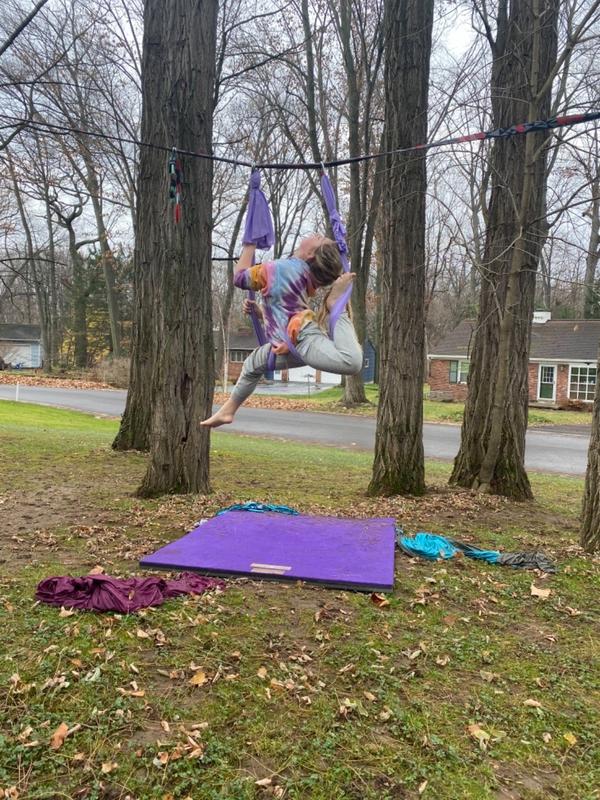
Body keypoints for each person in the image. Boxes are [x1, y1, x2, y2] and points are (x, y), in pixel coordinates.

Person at [201, 234, 363, 427]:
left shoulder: (279, 268)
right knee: (253, 364)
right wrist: (262, 314)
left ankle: (335, 304)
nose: (316, 235)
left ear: (311, 253)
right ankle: (227, 411)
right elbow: (286, 307)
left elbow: (240, 277)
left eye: (319, 238)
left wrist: (250, 243)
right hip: (290, 343)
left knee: (352, 361)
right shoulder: (301, 275)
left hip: (302, 337)